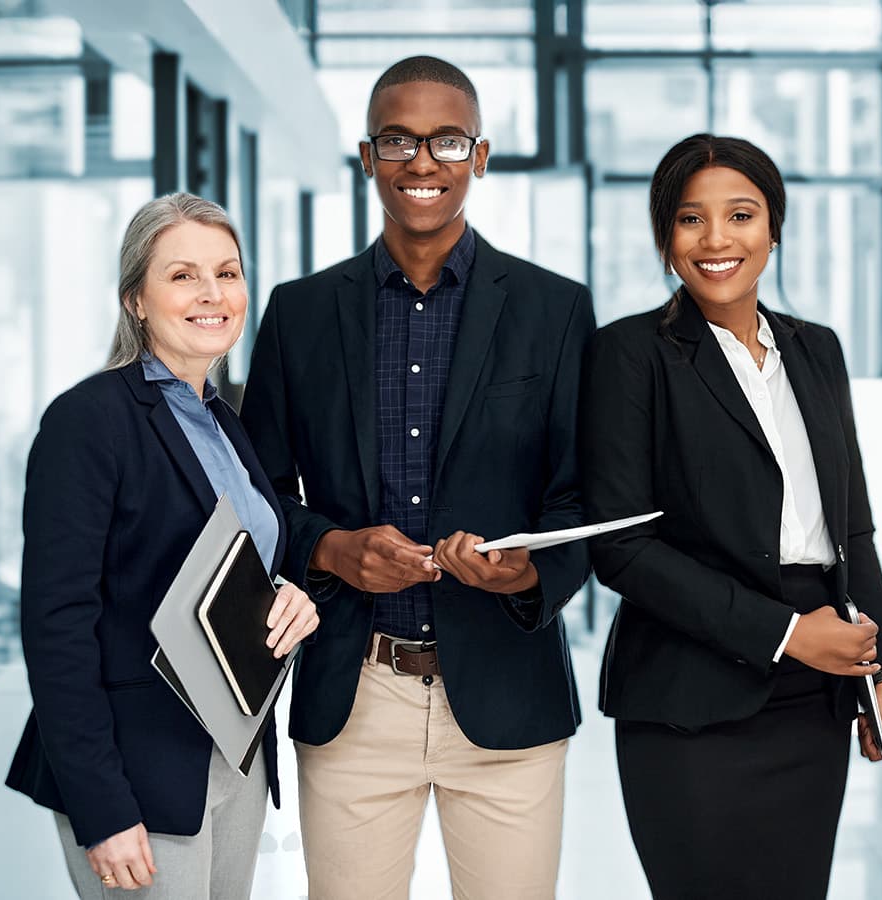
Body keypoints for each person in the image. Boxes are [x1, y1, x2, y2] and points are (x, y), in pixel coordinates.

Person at [240, 55, 595, 900]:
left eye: (446, 141)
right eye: (398, 140)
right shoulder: (299, 313)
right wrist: (330, 549)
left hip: (509, 695)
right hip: (354, 692)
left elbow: (582, 497)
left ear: (480, 155)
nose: (422, 163)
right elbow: (254, 498)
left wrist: (528, 574)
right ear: (367, 157)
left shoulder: (556, 310)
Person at [579, 134, 882, 900]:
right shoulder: (631, 354)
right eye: (692, 220)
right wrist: (789, 634)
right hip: (691, 701)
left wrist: (881, 669)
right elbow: (622, 549)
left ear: (774, 228)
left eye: (741, 215)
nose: (718, 239)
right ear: (666, 238)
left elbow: (852, 529)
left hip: (815, 698)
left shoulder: (816, 350)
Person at [5, 193, 319, 898]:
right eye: (183, 276)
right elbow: (56, 628)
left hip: (234, 755)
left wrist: (289, 593)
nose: (213, 294)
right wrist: (102, 807)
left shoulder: (224, 419)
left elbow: (237, 562)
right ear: (135, 301)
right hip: (136, 772)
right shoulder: (89, 421)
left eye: (228, 273)